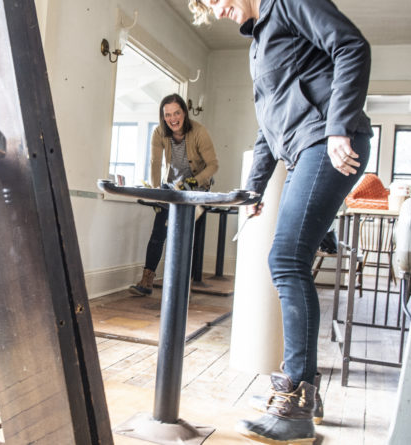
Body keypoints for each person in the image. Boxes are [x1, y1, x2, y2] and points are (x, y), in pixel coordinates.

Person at [188, 0, 372, 443]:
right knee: (289, 259)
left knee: (287, 259)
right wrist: (253, 190)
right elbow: (267, 127)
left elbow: (352, 46)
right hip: (304, 148)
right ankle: (303, 389)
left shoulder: (286, 3)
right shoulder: (259, 43)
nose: (218, 10)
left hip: (326, 142)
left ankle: (296, 403)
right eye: (208, 6)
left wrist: (338, 126)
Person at [129, 93, 218, 296]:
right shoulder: (159, 132)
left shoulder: (199, 132)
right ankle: (146, 282)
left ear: (184, 113)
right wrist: (155, 193)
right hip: (172, 187)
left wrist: (194, 182)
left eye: (176, 113)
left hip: (197, 188)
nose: (173, 119)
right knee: (158, 233)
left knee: (187, 237)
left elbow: (213, 165)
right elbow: (154, 163)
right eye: (167, 114)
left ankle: (183, 285)